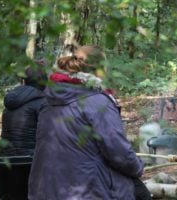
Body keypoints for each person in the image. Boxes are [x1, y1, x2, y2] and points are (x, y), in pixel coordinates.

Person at [28, 46, 147, 200]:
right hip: (87, 191)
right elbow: (118, 153)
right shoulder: (97, 102)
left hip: (45, 189)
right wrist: (138, 167)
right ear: (99, 70)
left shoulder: (47, 99)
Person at [0, 65, 47, 200]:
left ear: (24, 80)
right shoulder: (43, 102)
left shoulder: (11, 101)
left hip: (5, 160)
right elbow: (48, 136)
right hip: (31, 162)